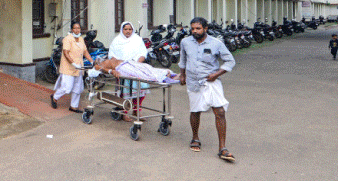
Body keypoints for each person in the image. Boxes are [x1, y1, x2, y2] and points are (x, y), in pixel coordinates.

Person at [177, 17, 236, 163]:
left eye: (198, 28)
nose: (195, 31)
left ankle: (222, 148)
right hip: (193, 81)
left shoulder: (216, 43)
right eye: (192, 29)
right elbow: (183, 60)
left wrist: (217, 74)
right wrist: (182, 75)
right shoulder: (185, 42)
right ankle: (195, 138)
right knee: (195, 111)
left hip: (211, 81)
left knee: (220, 111)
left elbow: (230, 61)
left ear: (205, 28)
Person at [108, 21, 148, 119]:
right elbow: (112, 55)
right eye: (125, 29)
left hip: (136, 68)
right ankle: (124, 112)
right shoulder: (116, 41)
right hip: (122, 68)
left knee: (140, 89)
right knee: (124, 91)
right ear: (122, 30)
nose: (128, 31)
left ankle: (136, 110)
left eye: (130, 29)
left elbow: (143, 53)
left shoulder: (137, 40)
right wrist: (120, 65)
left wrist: (136, 64)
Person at [50, 21, 92, 113]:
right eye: (75, 28)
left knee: (78, 88)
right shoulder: (67, 39)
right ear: (72, 29)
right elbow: (66, 53)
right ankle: (55, 97)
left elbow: (85, 52)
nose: (77, 30)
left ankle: (73, 106)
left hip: (79, 68)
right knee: (67, 87)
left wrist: (92, 61)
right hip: (68, 68)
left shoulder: (81, 39)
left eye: (78, 28)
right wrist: (73, 63)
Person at [92, 57, 178, 83]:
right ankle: (163, 78)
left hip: (127, 62)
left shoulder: (106, 59)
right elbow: (100, 69)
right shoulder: (98, 65)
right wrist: (111, 71)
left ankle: (167, 73)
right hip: (122, 68)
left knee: (146, 67)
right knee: (141, 74)